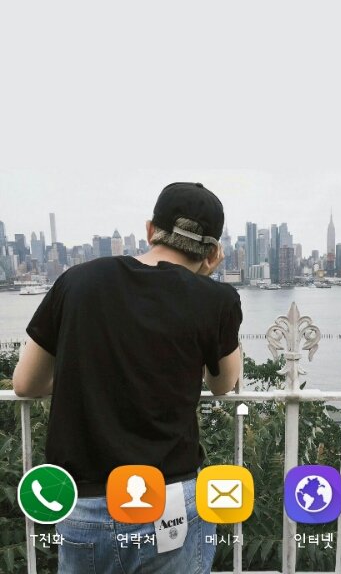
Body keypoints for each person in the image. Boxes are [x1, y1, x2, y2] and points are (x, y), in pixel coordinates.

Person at [13, 182, 242, 574]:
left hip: (85, 501)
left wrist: (81, 377)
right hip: (169, 500)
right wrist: (204, 281)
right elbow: (224, 384)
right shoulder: (214, 298)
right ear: (212, 251)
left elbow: (25, 384)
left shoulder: (78, 280)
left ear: (150, 230)